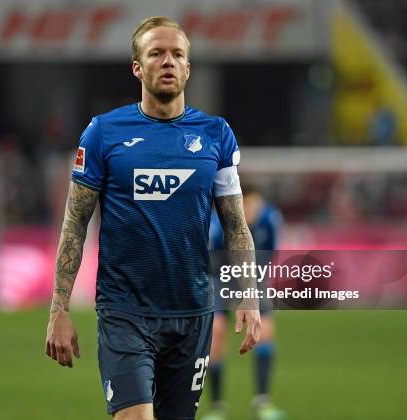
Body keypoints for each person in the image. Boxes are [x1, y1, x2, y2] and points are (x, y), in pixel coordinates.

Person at [44, 16, 261, 420]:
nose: (168, 61)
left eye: (177, 54)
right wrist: (59, 309)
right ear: (137, 67)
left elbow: (235, 225)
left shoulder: (215, 134)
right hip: (124, 310)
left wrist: (248, 294)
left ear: (188, 68)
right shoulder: (103, 133)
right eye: (156, 53)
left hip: (192, 311)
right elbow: (74, 224)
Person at [204, 185, 284, 420]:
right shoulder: (219, 225)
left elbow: (270, 254)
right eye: (246, 205)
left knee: (266, 331)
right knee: (217, 332)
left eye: (254, 204)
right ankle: (217, 406)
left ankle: (262, 401)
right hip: (221, 278)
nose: (250, 210)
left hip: (254, 275)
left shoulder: (270, 219)